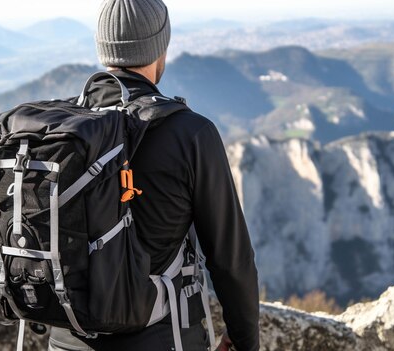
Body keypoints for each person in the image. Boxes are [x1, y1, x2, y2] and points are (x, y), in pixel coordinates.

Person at [48, 0, 260, 350]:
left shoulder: (61, 129)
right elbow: (230, 259)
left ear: (103, 48)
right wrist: (243, 339)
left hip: (65, 340)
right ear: (160, 47)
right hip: (162, 338)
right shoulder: (190, 134)